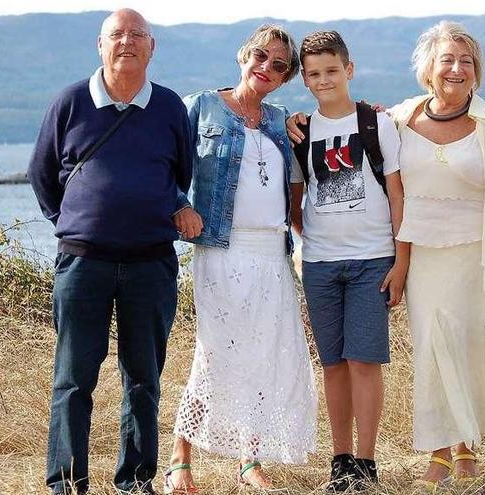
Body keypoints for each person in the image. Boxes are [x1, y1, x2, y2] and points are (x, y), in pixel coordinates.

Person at [28, 9, 199, 494]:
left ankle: (136, 481)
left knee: (144, 379)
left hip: (151, 263)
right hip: (83, 263)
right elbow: (43, 175)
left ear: (152, 47)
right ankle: (66, 483)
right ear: (100, 45)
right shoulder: (69, 102)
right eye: (117, 35)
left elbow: (178, 177)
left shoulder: (167, 107)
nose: (127, 42)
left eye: (137, 35)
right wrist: (78, 221)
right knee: (73, 379)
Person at [164, 24, 317, 494]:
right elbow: (166, 167)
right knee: (214, 353)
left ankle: (249, 459)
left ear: (287, 75)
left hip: (272, 255)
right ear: (243, 56)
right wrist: (179, 205)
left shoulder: (279, 118)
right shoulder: (201, 106)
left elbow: (296, 187)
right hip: (221, 249)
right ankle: (178, 457)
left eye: (279, 65)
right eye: (260, 57)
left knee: (266, 355)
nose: (266, 68)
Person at [388, 20, 485, 489]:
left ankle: (469, 446)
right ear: (428, 68)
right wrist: (297, 123)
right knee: (431, 349)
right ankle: (438, 452)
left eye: (466, 61)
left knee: (472, 352)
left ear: (477, 72)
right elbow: (352, 129)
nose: (456, 68)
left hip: (479, 256)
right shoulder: (401, 118)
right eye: (447, 59)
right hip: (422, 257)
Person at [287, 31, 408, 492]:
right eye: (314, 73)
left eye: (332, 71)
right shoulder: (300, 133)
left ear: (349, 70)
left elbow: (396, 195)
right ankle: (341, 462)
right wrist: (318, 239)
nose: (324, 80)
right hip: (319, 264)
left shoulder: (378, 125)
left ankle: (367, 461)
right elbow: (295, 206)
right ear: (304, 78)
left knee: (364, 362)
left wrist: (401, 261)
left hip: (372, 261)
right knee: (333, 364)